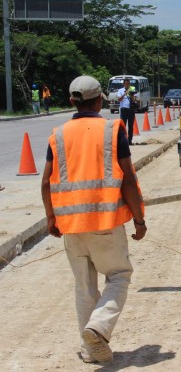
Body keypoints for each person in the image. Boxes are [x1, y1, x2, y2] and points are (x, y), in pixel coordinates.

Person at [41, 75, 147, 364]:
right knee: (119, 275)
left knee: (84, 285)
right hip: (105, 221)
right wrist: (139, 219)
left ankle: (92, 350)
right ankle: (98, 328)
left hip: (71, 225)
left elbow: (46, 183)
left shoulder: (58, 134)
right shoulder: (112, 130)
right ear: (101, 100)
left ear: (72, 101)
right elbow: (126, 178)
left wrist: (51, 217)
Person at [117, 79, 136, 145]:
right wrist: (124, 94)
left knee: (130, 126)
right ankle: (123, 140)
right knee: (123, 126)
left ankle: (129, 140)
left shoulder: (132, 90)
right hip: (124, 110)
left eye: (128, 84)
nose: (127, 85)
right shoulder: (120, 90)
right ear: (124, 84)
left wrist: (132, 96)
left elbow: (134, 100)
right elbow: (119, 99)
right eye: (126, 84)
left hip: (131, 109)